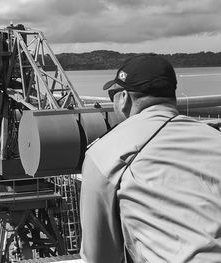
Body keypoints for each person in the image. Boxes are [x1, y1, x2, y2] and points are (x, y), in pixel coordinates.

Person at [80, 54, 221, 263]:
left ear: (124, 98)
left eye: (113, 96)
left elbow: (100, 257)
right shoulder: (214, 137)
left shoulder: (106, 152)